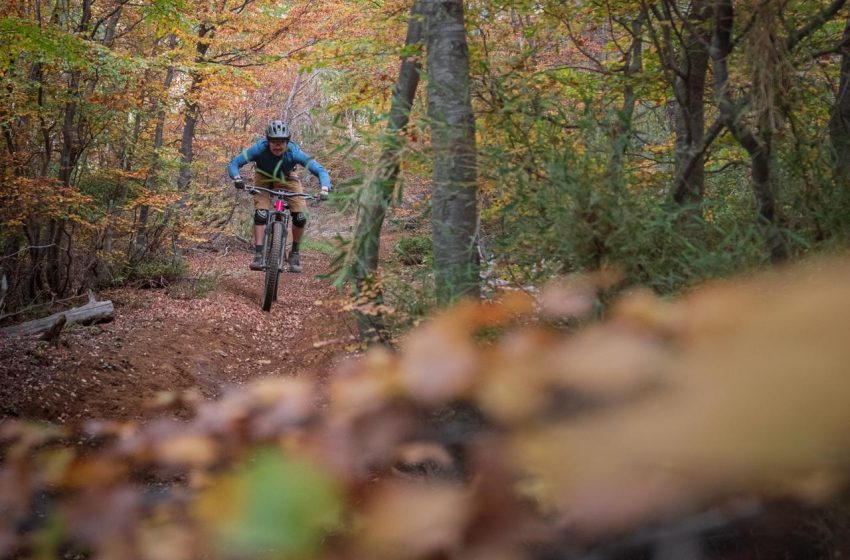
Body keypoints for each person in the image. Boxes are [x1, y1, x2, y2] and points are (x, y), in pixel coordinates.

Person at [227, 120, 332, 272]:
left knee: (300, 216)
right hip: (263, 178)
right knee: (261, 214)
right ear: (268, 142)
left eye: (281, 142)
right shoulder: (258, 149)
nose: (278, 146)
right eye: (274, 142)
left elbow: (320, 170)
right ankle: (258, 254)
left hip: (287, 178)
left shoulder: (294, 152)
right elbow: (234, 163)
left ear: (287, 142)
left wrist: (324, 188)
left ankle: (294, 253)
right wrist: (237, 178)